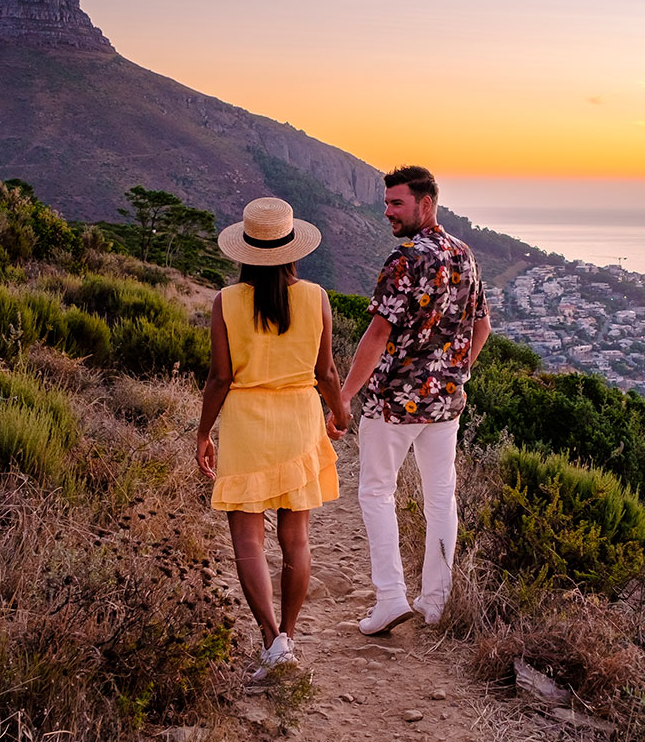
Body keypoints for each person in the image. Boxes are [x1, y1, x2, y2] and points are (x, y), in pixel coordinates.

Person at [333, 165, 491, 635]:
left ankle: (390, 598)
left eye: (396, 203)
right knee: (441, 498)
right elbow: (481, 326)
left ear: (425, 203)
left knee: (376, 492)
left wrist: (343, 396)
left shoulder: (405, 260)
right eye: (386, 203)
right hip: (444, 403)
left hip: (394, 402)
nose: (387, 212)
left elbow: (377, 333)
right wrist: (456, 372)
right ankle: (435, 602)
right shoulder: (465, 256)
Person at [196, 196, 350, 680]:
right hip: (300, 420)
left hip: (245, 424)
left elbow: (219, 379)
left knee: (247, 540)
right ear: (293, 250)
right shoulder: (316, 297)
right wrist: (340, 413)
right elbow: (325, 371)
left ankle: (271, 641)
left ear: (245, 251)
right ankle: (290, 633)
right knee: (295, 539)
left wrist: (202, 433)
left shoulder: (227, 301)